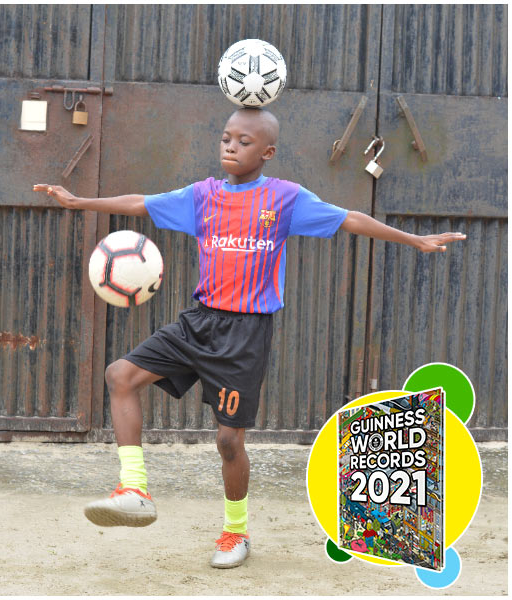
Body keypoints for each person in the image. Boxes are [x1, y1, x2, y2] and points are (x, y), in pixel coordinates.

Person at [33, 107, 464, 569]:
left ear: (267, 152)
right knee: (119, 375)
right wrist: (80, 203)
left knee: (227, 442)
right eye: (225, 138)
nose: (230, 146)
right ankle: (134, 489)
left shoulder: (285, 199)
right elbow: (142, 202)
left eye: (243, 141)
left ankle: (235, 532)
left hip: (246, 336)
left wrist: (414, 240)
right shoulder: (202, 196)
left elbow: (351, 219)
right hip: (198, 323)